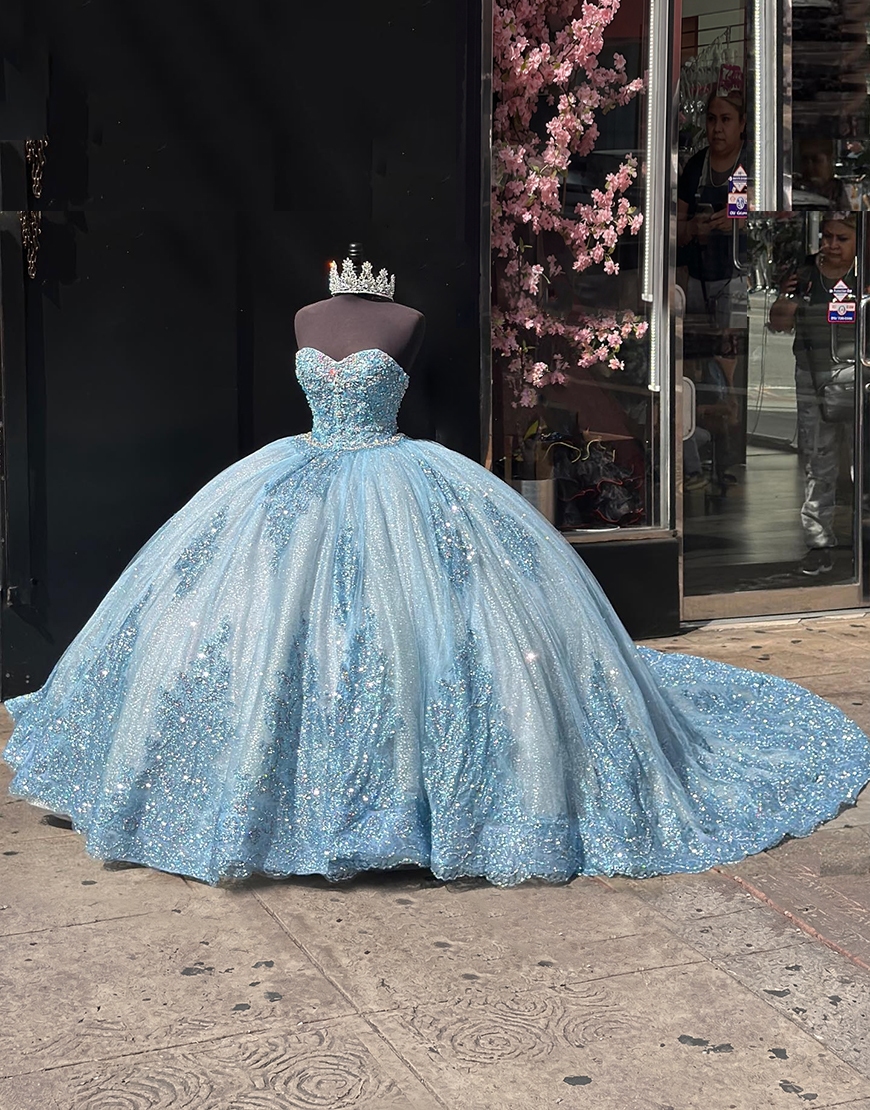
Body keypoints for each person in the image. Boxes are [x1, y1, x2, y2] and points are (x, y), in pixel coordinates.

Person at [4, 255, 870, 887]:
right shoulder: (309, 317)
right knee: (267, 635)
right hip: (295, 479)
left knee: (436, 639)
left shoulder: (404, 325)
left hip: (400, 480)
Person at [769, 213, 857, 576]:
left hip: (861, 373)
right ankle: (819, 542)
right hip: (813, 376)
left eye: (842, 238)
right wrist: (790, 295)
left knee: (862, 461)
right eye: (827, 237)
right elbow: (778, 323)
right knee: (818, 461)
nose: (832, 245)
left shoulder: (864, 274)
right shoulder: (805, 274)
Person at [677, 89, 749, 492]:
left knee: (728, 372)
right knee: (693, 370)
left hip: (732, 276)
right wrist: (697, 228)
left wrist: (738, 221)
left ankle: (729, 465)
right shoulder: (695, 167)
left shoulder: (751, 165)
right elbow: (680, 225)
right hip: (697, 279)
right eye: (711, 119)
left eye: (725, 120)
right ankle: (693, 464)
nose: (717, 128)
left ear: (741, 124)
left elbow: (768, 215)